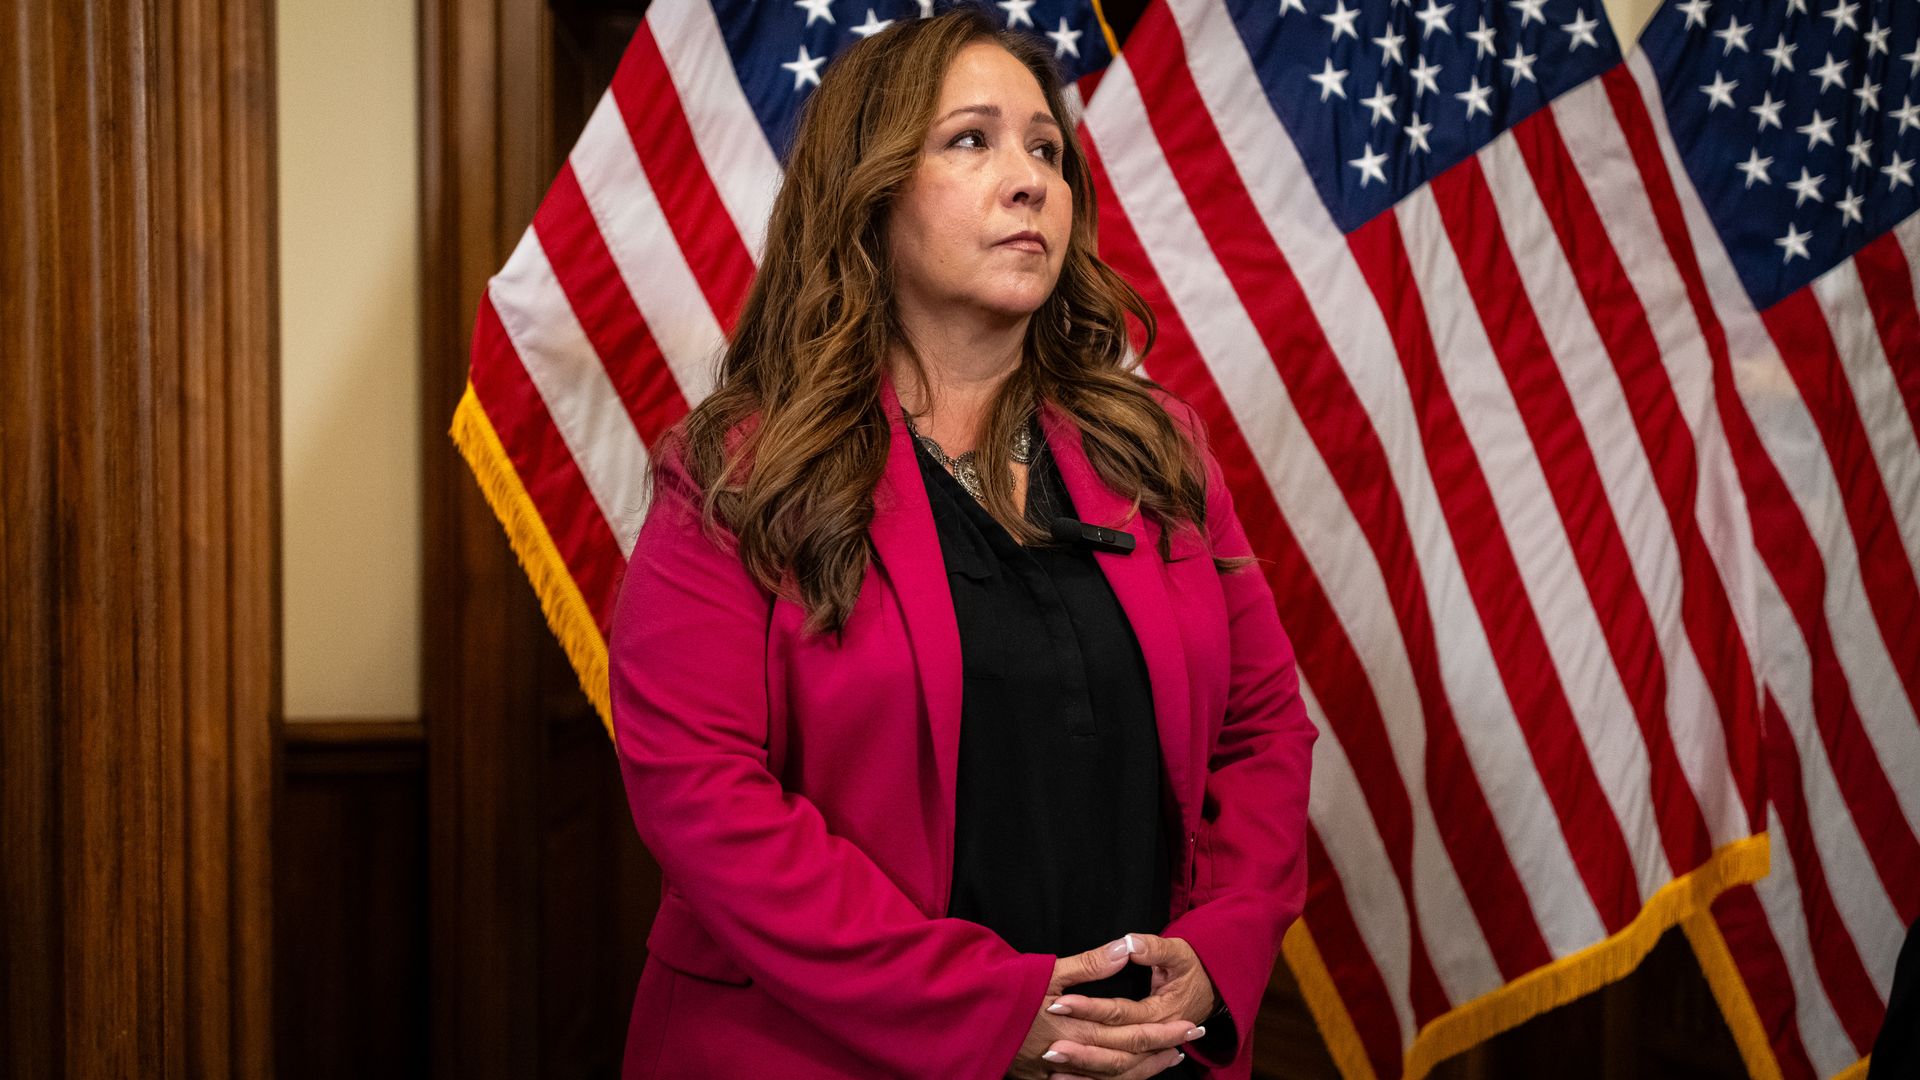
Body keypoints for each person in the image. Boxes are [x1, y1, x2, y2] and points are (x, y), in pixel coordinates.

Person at [608, 7, 1316, 1078]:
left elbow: (1264, 731)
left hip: (1138, 1053)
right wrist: (990, 1011)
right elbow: (703, 795)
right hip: (817, 1053)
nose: (1029, 177)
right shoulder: (739, 472)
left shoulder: (1156, 452)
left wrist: (1216, 954)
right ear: (872, 190)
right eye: (972, 140)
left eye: (1045, 148)